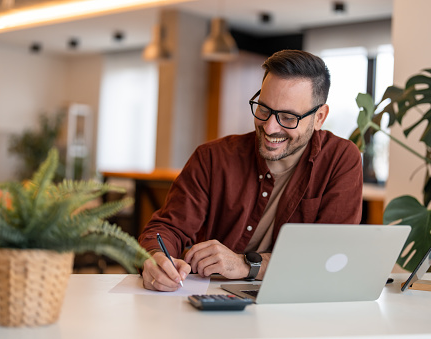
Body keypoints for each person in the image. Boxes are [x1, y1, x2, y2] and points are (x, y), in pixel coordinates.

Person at [139, 49, 363, 291]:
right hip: (213, 302)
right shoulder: (212, 158)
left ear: (319, 117)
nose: (269, 127)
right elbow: (167, 229)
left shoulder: (340, 159)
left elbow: (330, 257)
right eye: (264, 109)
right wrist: (156, 258)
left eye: (288, 117)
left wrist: (246, 265)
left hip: (297, 302)